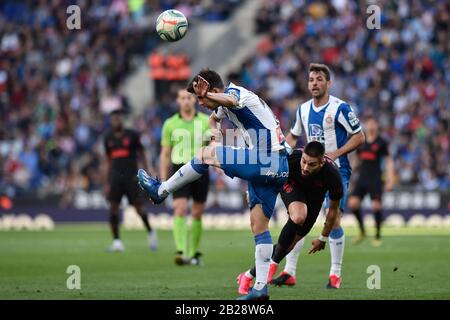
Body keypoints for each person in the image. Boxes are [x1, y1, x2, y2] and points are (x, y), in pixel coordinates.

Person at [138, 69, 288, 300]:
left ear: (214, 90)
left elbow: (230, 99)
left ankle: (161, 190)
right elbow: (213, 118)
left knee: (204, 154)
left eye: (202, 98)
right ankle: (260, 289)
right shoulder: (223, 104)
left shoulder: (237, 93)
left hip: (269, 158)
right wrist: (216, 134)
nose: (201, 103)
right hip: (275, 166)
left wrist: (214, 139)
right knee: (259, 225)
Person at [279, 63, 365, 288]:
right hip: (310, 171)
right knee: (300, 217)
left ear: (328, 83)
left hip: (338, 171)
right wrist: (279, 156)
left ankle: (335, 274)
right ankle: (289, 271)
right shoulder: (303, 109)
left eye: (319, 79)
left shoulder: (340, 108)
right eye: (311, 80)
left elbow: (360, 137)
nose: (314, 83)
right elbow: (293, 136)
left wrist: (335, 154)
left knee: (333, 218)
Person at [237, 141, 343, 294]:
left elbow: (333, 210)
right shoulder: (292, 157)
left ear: (321, 163)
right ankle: (272, 265)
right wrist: (251, 192)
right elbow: (263, 168)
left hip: (314, 200)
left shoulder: (333, 176)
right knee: (299, 216)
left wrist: (323, 238)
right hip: (291, 184)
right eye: (304, 162)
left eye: (311, 164)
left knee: (289, 245)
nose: (305, 168)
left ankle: (247, 276)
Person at [160, 89, 210, 265]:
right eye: (182, 98)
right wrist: (163, 177)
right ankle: (181, 251)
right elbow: (165, 153)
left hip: (201, 168)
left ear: (195, 100)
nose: (186, 101)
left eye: (189, 97)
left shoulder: (205, 121)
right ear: (178, 101)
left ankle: (194, 253)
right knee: (179, 208)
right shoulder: (170, 124)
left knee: (197, 212)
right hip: (179, 168)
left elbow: (213, 147)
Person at [103, 109, 158, 252]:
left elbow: (142, 153)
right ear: (111, 121)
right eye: (114, 119)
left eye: (118, 118)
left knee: (139, 208)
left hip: (131, 178)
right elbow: (108, 160)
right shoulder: (108, 138)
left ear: (122, 120)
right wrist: (107, 181)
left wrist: (147, 171)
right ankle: (116, 242)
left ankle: (151, 232)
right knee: (113, 208)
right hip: (116, 178)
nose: (116, 121)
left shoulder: (132, 135)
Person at [348, 116, 395, 247]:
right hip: (362, 178)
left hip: (375, 178)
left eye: (373, 123)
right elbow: (357, 160)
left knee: (376, 206)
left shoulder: (382, 142)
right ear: (365, 125)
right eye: (369, 123)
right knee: (353, 204)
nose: (371, 126)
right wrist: (349, 173)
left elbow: (389, 161)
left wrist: (390, 179)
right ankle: (362, 231)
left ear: (377, 126)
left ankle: (377, 235)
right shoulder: (361, 141)